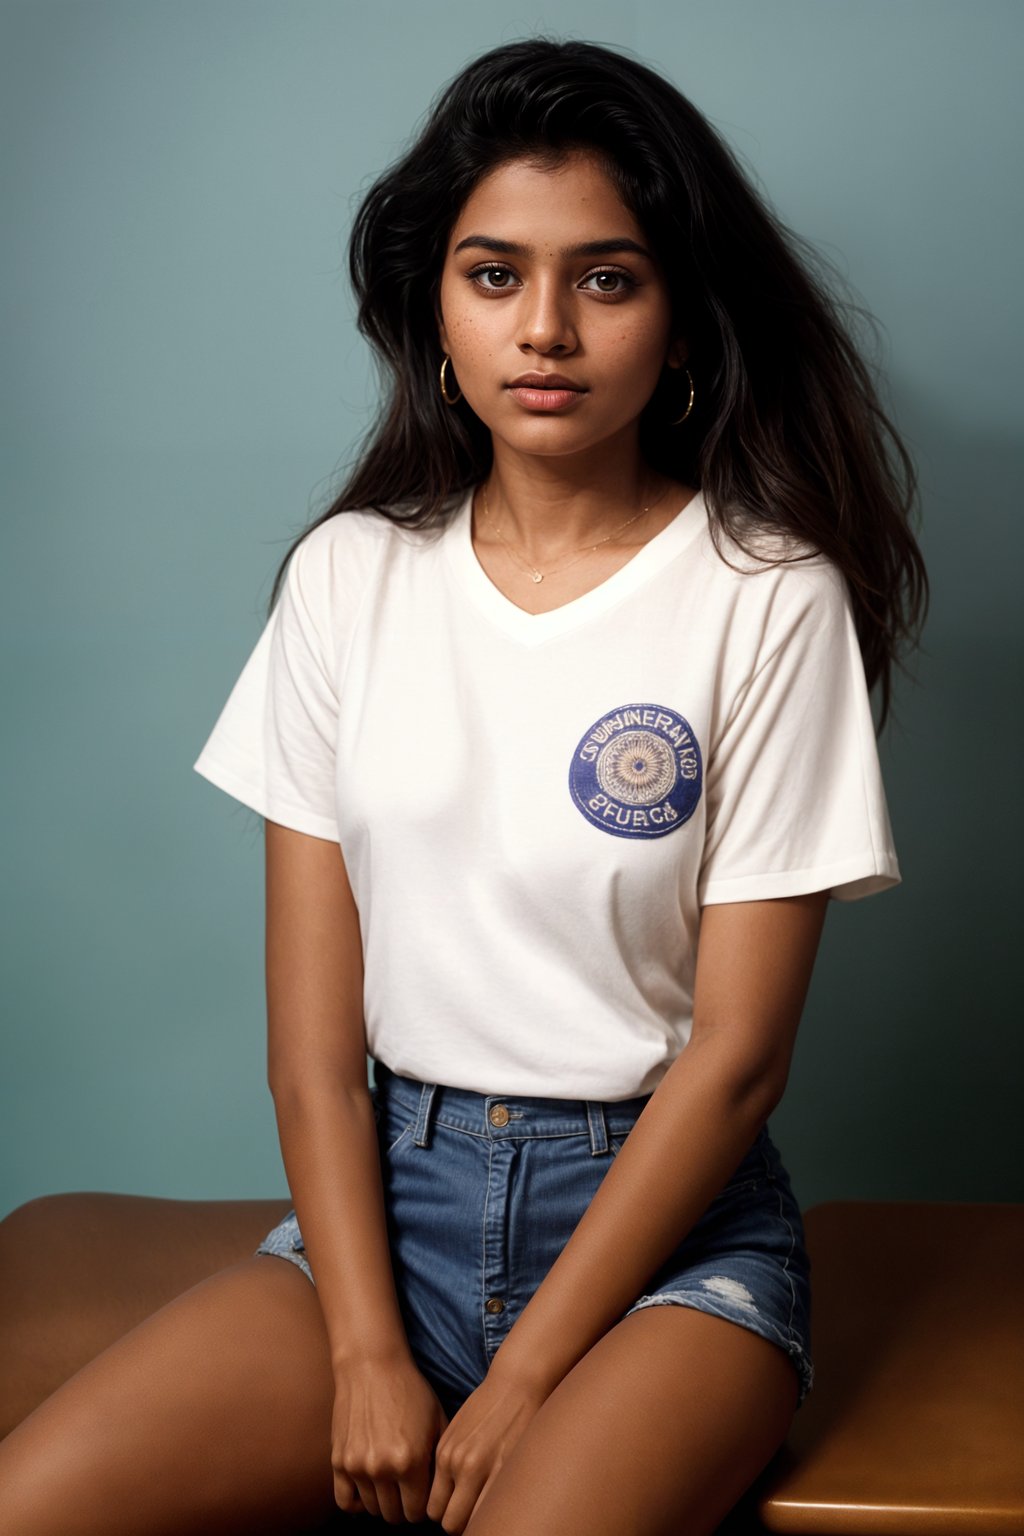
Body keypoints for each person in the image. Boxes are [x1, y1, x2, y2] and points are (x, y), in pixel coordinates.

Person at [0, 35, 927, 1536]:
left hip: (669, 1250)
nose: (545, 328)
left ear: (683, 320)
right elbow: (311, 1054)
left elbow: (737, 1063)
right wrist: (369, 1347)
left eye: (607, 278)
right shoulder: (347, 579)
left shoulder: (768, 599)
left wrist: (517, 1380)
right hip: (385, 1223)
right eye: (495, 274)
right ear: (435, 307)